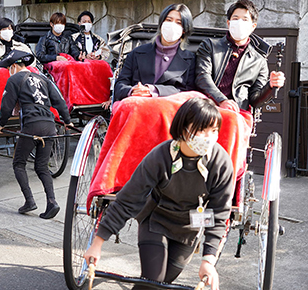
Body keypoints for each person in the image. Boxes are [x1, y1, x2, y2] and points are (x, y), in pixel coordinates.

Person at [83, 97, 234, 290]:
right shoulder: (161, 156)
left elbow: (218, 213)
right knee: (153, 280)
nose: (208, 137)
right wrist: (98, 242)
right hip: (156, 219)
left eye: (213, 131)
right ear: (184, 128)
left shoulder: (220, 162)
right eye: (201, 130)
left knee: (160, 285)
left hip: (190, 225)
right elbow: (128, 199)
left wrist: (208, 260)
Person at [0, 50, 73, 219]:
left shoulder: (14, 79)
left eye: (9, 68)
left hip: (31, 125)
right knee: (42, 167)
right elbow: (59, 101)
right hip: (49, 125)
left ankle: (29, 201)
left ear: (14, 66)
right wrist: (67, 121)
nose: (9, 71)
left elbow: (7, 106)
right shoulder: (43, 79)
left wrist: (1, 125)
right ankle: (52, 202)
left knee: (18, 163)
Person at [195, 0, 285, 112]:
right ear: (228, 23)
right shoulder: (209, 46)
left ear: (253, 26)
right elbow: (202, 77)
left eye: (245, 19)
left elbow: (255, 100)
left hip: (237, 111)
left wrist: (270, 86)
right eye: (235, 18)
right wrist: (222, 100)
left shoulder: (259, 60)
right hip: (207, 107)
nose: (239, 22)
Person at [113, 3, 196, 102]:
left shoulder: (190, 59)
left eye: (179, 23)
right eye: (169, 20)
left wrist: (153, 90)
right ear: (161, 23)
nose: (172, 25)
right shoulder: (137, 53)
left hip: (169, 111)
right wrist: (133, 91)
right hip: (137, 105)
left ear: (184, 30)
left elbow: (188, 92)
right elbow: (120, 85)